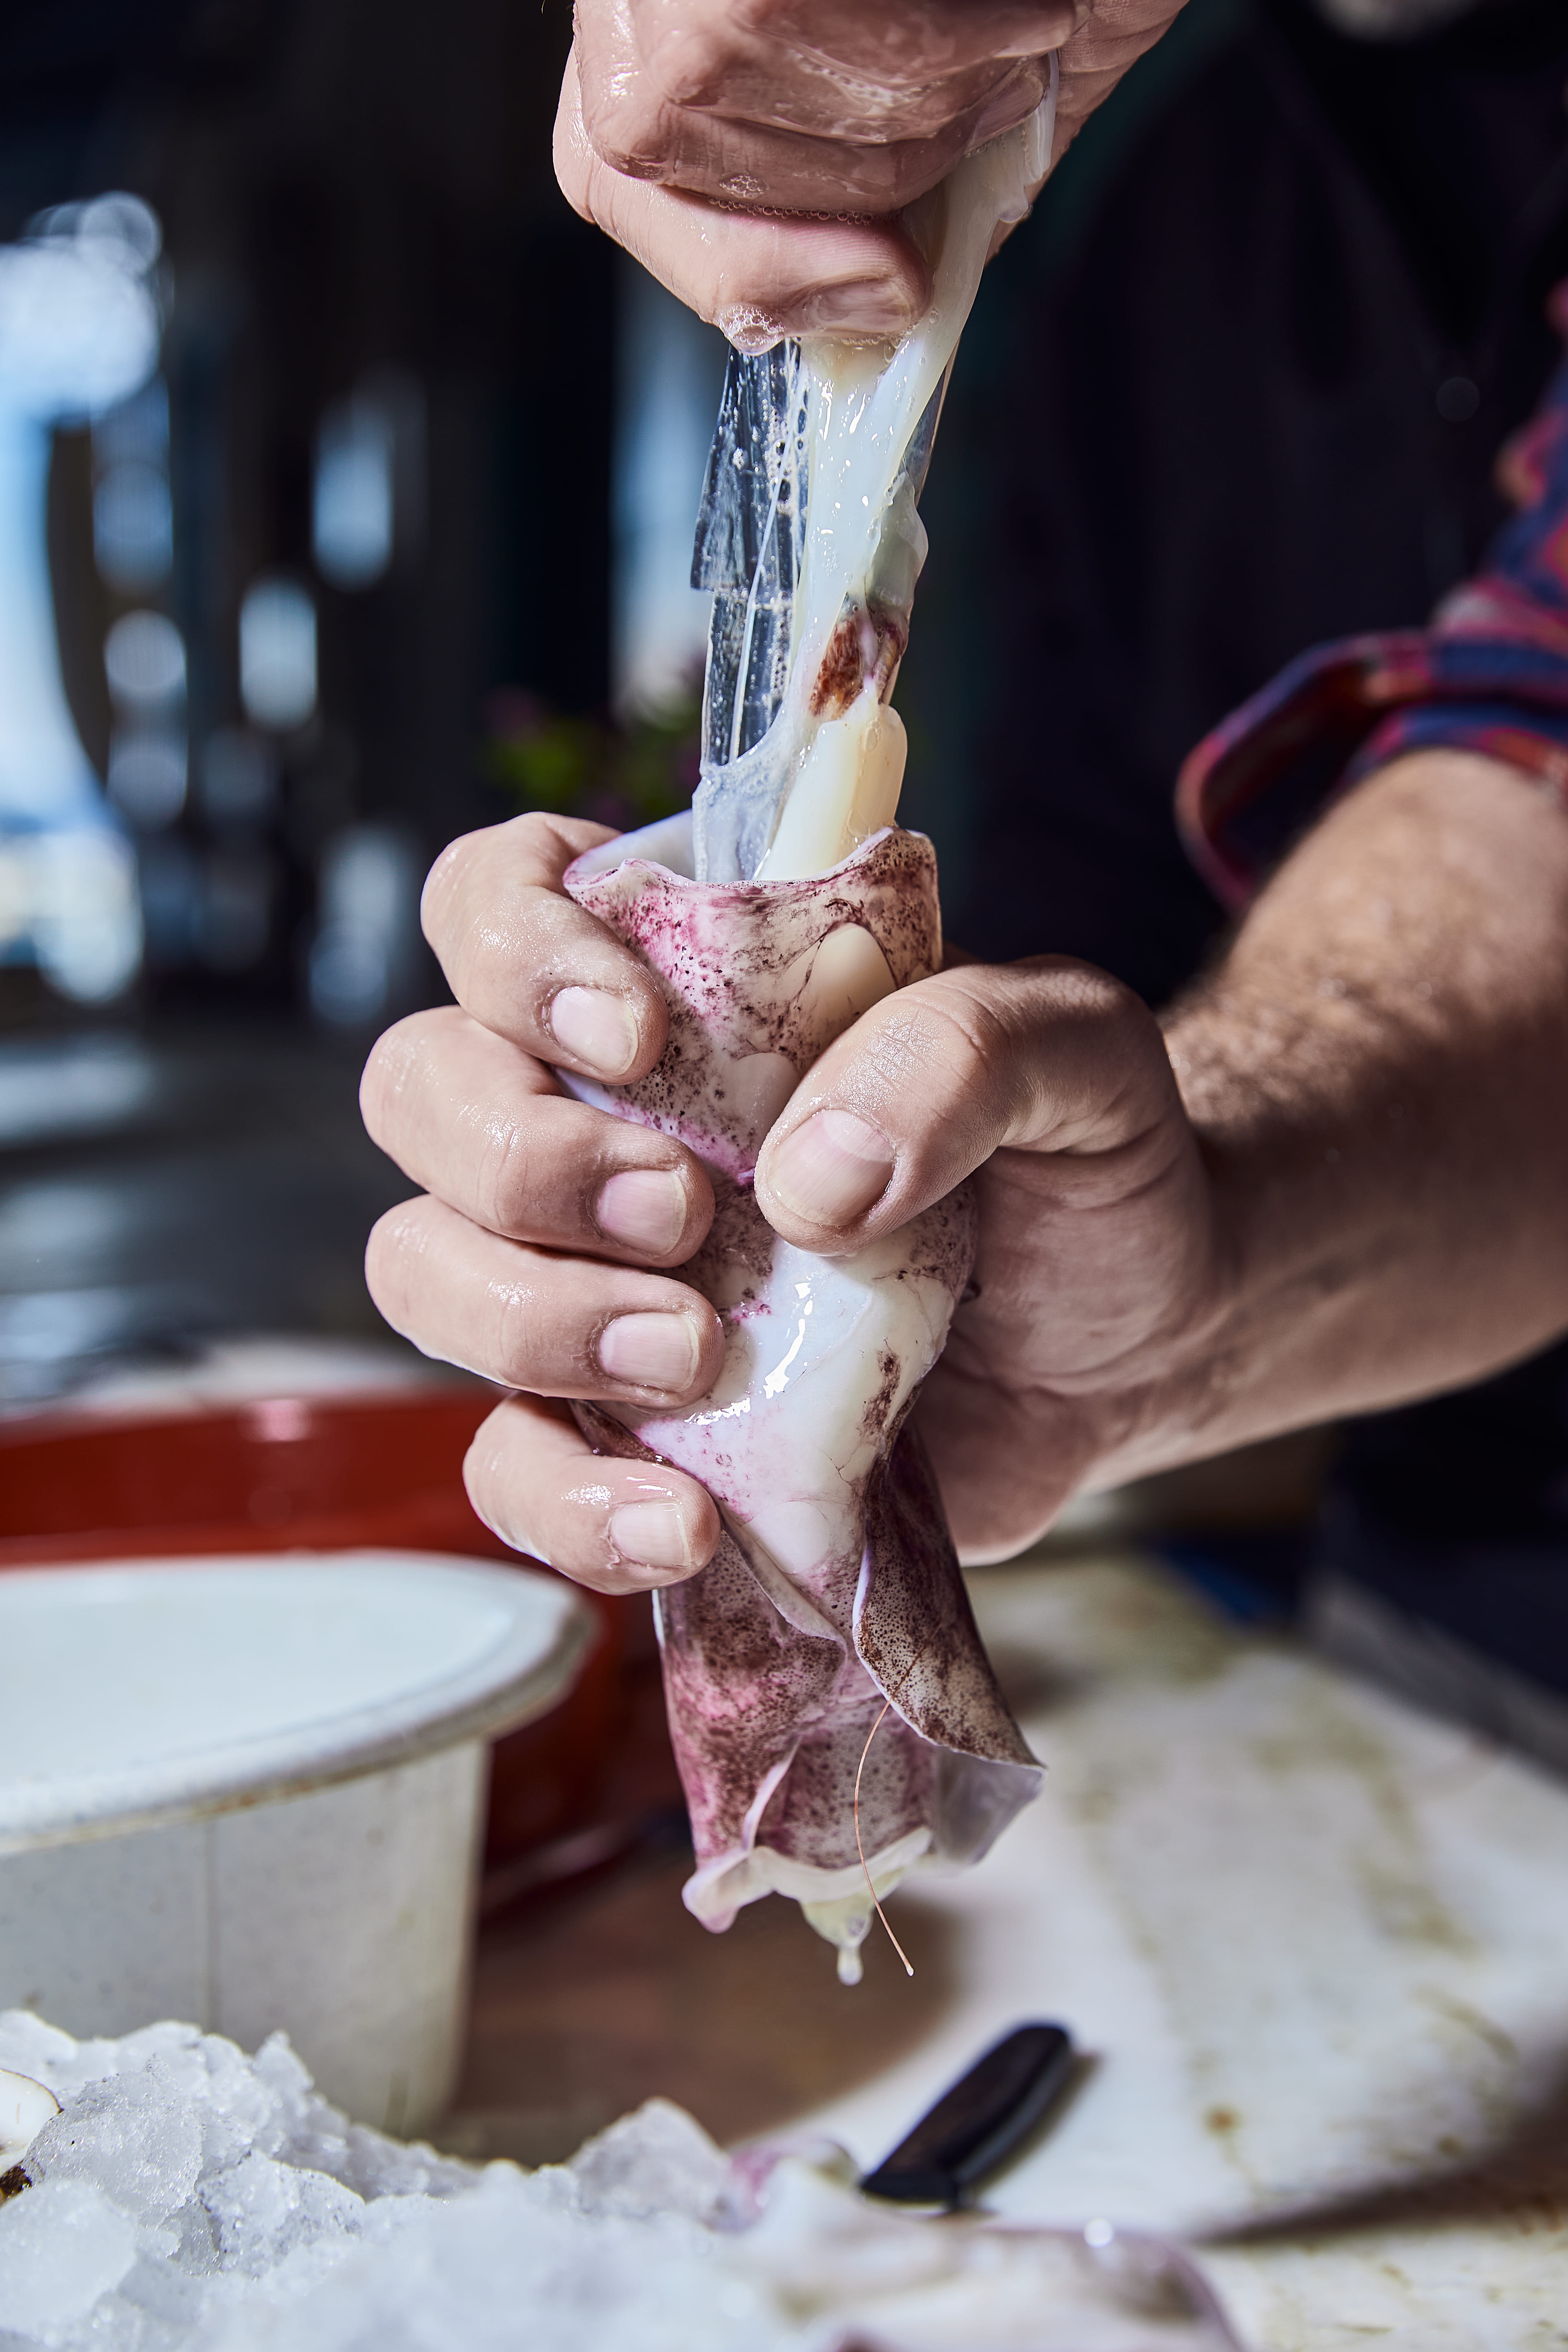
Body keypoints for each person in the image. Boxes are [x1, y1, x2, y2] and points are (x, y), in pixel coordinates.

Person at [359, 0, 1568, 1697]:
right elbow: (1093, 960)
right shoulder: (1176, 208)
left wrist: (1216, 1214)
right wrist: (853, 1184)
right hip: (1417, 1624)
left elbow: (1541, 739)